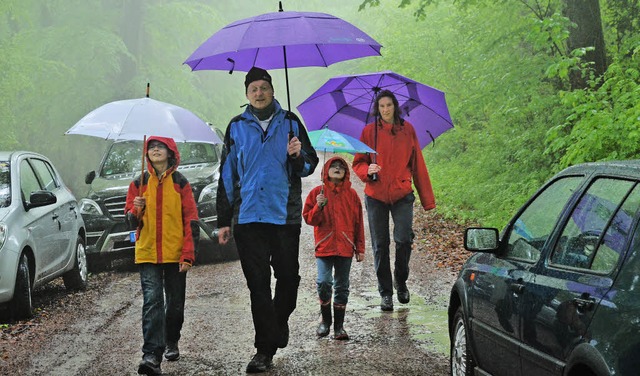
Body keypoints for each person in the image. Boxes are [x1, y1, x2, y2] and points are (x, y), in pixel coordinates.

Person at [216, 66, 319, 373]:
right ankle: (264, 349)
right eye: (253, 89)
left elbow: (310, 165)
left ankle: (280, 319)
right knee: (258, 285)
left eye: (263, 87)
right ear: (247, 95)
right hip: (248, 217)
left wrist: (297, 155)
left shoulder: (290, 123)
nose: (259, 93)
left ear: (273, 91)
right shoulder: (236, 126)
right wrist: (224, 219)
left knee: (289, 277)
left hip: (283, 215)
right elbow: (226, 175)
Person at [352, 89, 436, 312]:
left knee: (404, 239)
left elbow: (417, 163)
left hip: (402, 194)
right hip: (375, 195)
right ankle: (386, 293)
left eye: (389, 105)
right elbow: (358, 163)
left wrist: (427, 199)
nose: (385, 110)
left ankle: (401, 281)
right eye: (381, 106)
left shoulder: (407, 130)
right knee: (380, 245)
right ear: (377, 109)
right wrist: (367, 170)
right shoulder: (369, 132)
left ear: (395, 106)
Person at [124, 136, 200, 376]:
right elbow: (130, 220)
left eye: (161, 147)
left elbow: (191, 220)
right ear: (146, 154)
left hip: (176, 253)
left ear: (171, 153)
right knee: (152, 301)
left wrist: (188, 254)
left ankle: (172, 339)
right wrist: (136, 209)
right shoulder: (138, 183)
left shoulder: (180, 182)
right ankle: (151, 356)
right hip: (147, 252)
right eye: (151, 147)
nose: (155, 150)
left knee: (175, 304)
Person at [302, 156, 365, 340]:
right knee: (323, 282)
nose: (337, 169)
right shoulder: (317, 193)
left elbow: (358, 223)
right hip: (325, 245)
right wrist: (318, 207)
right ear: (326, 171)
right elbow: (310, 219)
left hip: (345, 246)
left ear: (346, 172)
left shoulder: (352, 195)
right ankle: (325, 321)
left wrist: (359, 248)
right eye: (333, 166)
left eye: (341, 167)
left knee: (342, 285)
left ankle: (339, 326)